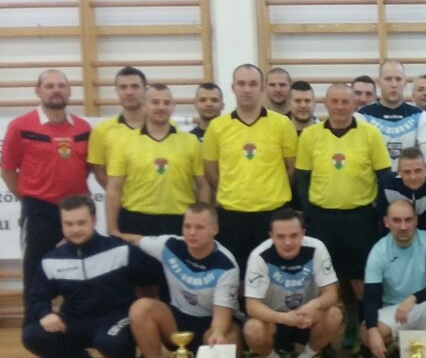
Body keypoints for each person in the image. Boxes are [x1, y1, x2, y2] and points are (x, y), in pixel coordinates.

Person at [22, 195, 163, 358]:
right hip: (75, 320)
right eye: (69, 224)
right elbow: (36, 296)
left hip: (116, 318)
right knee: (32, 335)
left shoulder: (120, 250)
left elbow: (154, 276)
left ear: (94, 220)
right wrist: (45, 314)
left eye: (81, 223)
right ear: (61, 223)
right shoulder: (52, 259)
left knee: (109, 340)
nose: (75, 229)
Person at [295, 83, 393, 358]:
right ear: (325, 104)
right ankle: (321, 345)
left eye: (345, 102)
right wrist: (309, 214)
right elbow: (302, 179)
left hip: (360, 219)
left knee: (363, 283)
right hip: (322, 220)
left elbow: (384, 178)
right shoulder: (310, 135)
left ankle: (366, 339)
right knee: (323, 285)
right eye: (334, 101)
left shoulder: (370, 134)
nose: (340, 107)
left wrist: (378, 216)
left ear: (354, 105)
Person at [1, 69, 93, 350]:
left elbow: (87, 168)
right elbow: (8, 169)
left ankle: (81, 339)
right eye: (50, 86)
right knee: (35, 277)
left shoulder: (83, 128)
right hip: (40, 212)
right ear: (38, 91)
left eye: (61, 85)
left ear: (69, 91)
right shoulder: (20, 126)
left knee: (83, 275)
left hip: (77, 214)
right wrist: (30, 199)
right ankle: (42, 345)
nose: (56, 90)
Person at [120, 203, 242, 358]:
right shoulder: (169, 246)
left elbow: (222, 314)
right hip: (177, 322)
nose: (192, 233)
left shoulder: (226, 265)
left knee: (229, 338)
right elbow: (135, 240)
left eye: (199, 227)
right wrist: (108, 235)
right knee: (141, 308)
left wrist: (218, 334)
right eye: (187, 226)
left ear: (214, 229)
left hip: (211, 321)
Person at [202, 63, 298, 270]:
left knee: (274, 273)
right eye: (241, 84)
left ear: (262, 88)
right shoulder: (217, 127)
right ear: (233, 87)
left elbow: (292, 168)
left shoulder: (282, 124)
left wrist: (272, 190)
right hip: (232, 214)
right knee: (236, 275)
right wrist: (232, 189)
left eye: (253, 84)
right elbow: (210, 169)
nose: (247, 89)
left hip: (273, 213)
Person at [242, 209, 344, 358]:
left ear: (303, 233)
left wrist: (315, 305)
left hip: (306, 317)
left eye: (294, 236)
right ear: (271, 236)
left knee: (334, 315)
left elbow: (331, 293)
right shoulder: (259, 256)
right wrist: (283, 318)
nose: (288, 242)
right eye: (281, 237)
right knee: (252, 329)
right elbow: (252, 306)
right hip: (274, 319)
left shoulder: (317, 248)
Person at [358, 199, 426, 358]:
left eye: (408, 220)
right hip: (395, 310)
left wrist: (413, 298)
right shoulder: (379, 251)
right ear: (386, 222)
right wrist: (373, 330)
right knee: (366, 333)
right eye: (396, 220)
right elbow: (370, 297)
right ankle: (399, 348)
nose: (403, 226)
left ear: (416, 220)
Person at [105, 84, 207, 237]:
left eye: (166, 103)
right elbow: (114, 188)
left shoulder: (191, 141)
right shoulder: (123, 142)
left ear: (173, 106)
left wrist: (203, 221)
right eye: (155, 102)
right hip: (135, 221)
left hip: (179, 221)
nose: (161, 107)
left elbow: (203, 185)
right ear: (144, 105)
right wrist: (112, 229)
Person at [378, 146, 426, 260]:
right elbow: (384, 221)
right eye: (407, 172)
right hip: (397, 239)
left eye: (418, 171)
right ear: (399, 171)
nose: (413, 177)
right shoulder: (386, 184)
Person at [360, 60, 426, 167]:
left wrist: (425, 177)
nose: (394, 84)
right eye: (388, 79)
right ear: (379, 83)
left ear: (405, 83)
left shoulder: (419, 115)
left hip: (410, 177)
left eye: (398, 79)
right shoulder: (362, 116)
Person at [87, 66, 147, 187]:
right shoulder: (101, 131)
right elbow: (100, 173)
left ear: (145, 90)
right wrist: (118, 195)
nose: (129, 92)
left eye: (135, 86)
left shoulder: (166, 127)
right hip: (121, 198)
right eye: (123, 87)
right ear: (116, 91)